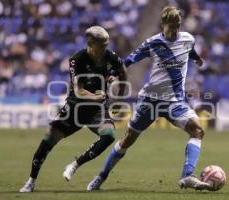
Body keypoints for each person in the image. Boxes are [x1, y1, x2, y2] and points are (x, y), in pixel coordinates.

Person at [85, 6, 212, 191]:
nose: (175, 29)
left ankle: (187, 176)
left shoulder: (187, 39)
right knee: (128, 140)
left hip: (174, 101)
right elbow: (130, 59)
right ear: (163, 25)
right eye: (171, 26)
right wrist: (113, 73)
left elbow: (189, 50)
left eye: (177, 25)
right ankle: (100, 177)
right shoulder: (153, 43)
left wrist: (197, 59)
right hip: (150, 100)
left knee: (198, 130)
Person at [19, 26, 127, 192]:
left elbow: (123, 71)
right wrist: (95, 96)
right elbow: (78, 90)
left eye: (107, 44)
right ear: (91, 43)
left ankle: (75, 165)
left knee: (109, 136)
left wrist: (119, 99)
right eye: (102, 45)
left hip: (97, 110)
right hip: (75, 108)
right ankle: (31, 181)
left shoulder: (110, 56)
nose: (106, 48)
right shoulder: (78, 59)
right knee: (48, 141)